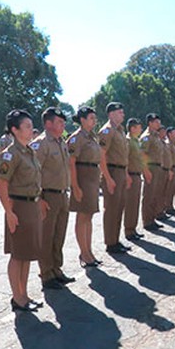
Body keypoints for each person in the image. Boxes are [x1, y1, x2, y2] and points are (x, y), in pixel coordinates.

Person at [0, 109, 42, 313]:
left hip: (31, 205)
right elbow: (1, 183)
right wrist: (9, 212)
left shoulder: (30, 151)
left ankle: (24, 294)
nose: (31, 130)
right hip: (18, 206)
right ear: (14, 130)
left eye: (31, 126)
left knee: (27, 253)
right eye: (27, 126)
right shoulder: (10, 153)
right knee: (17, 254)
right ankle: (17, 297)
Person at [30, 107, 74, 290]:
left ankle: (56, 269)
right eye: (59, 122)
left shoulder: (60, 142)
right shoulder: (41, 144)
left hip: (62, 194)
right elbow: (33, 172)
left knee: (59, 235)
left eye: (64, 122)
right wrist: (38, 198)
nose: (63, 125)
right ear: (48, 124)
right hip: (48, 195)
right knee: (47, 237)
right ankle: (46, 274)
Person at [67, 106, 101, 267]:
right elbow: (71, 162)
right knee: (82, 216)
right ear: (82, 120)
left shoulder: (92, 137)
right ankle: (84, 253)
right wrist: (75, 186)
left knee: (89, 216)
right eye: (91, 118)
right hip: (83, 177)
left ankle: (89, 251)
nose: (94, 121)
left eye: (95, 118)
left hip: (92, 178)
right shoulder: (77, 138)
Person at [98, 102, 130, 254]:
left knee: (119, 207)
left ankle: (116, 240)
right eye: (119, 112)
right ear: (111, 114)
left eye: (122, 112)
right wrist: (108, 178)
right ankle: (110, 242)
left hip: (121, 171)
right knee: (111, 208)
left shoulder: (120, 131)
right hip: (112, 171)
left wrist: (126, 174)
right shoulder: (107, 131)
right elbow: (101, 155)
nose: (122, 115)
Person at [140, 113, 165, 231]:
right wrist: (145, 170)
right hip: (150, 167)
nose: (158, 124)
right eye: (156, 122)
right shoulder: (147, 136)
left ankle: (152, 218)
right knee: (149, 195)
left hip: (157, 167)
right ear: (150, 123)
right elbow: (142, 154)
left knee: (155, 194)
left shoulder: (156, 136)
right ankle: (147, 221)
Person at [123, 118, 145, 241]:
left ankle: (133, 229)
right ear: (132, 129)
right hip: (131, 175)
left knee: (135, 204)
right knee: (130, 204)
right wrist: (126, 176)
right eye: (138, 127)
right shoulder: (128, 141)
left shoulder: (136, 141)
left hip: (137, 175)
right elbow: (125, 159)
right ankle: (128, 230)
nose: (141, 129)